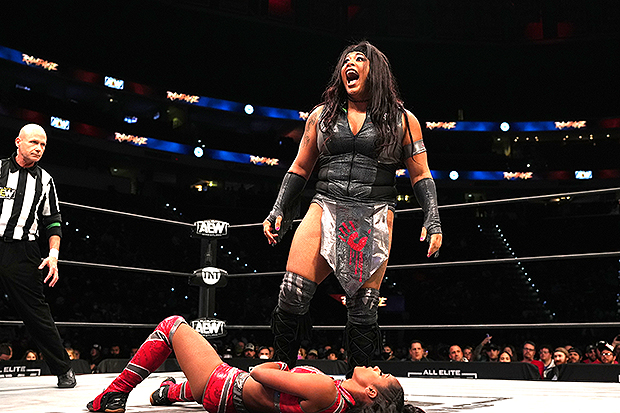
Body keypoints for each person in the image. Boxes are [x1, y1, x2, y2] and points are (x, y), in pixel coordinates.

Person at [263, 41, 442, 377]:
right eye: (346, 60)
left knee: (363, 308)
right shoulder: (322, 115)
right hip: (325, 203)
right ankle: (281, 374)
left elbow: (421, 174)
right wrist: (278, 209)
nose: (350, 63)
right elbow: (300, 167)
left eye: (360, 59)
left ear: (376, 70)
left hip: (374, 211)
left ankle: (357, 384)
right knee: (292, 292)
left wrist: (432, 219)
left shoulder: (403, 120)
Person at [87, 315, 424, 413]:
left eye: (382, 374)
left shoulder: (325, 389)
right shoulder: (336, 399)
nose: (377, 368)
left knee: (172, 326)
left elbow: (259, 372)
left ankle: (114, 394)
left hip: (223, 386)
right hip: (228, 396)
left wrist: (281, 367)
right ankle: (168, 394)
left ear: (370, 392)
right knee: (193, 381)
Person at [0, 124, 75, 388]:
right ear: (18, 142)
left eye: (43, 144)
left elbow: (53, 221)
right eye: (33, 142)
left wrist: (53, 255)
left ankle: (63, 369)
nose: (39, 148)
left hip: (23, 250)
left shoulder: (45, 180)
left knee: (36, 312)